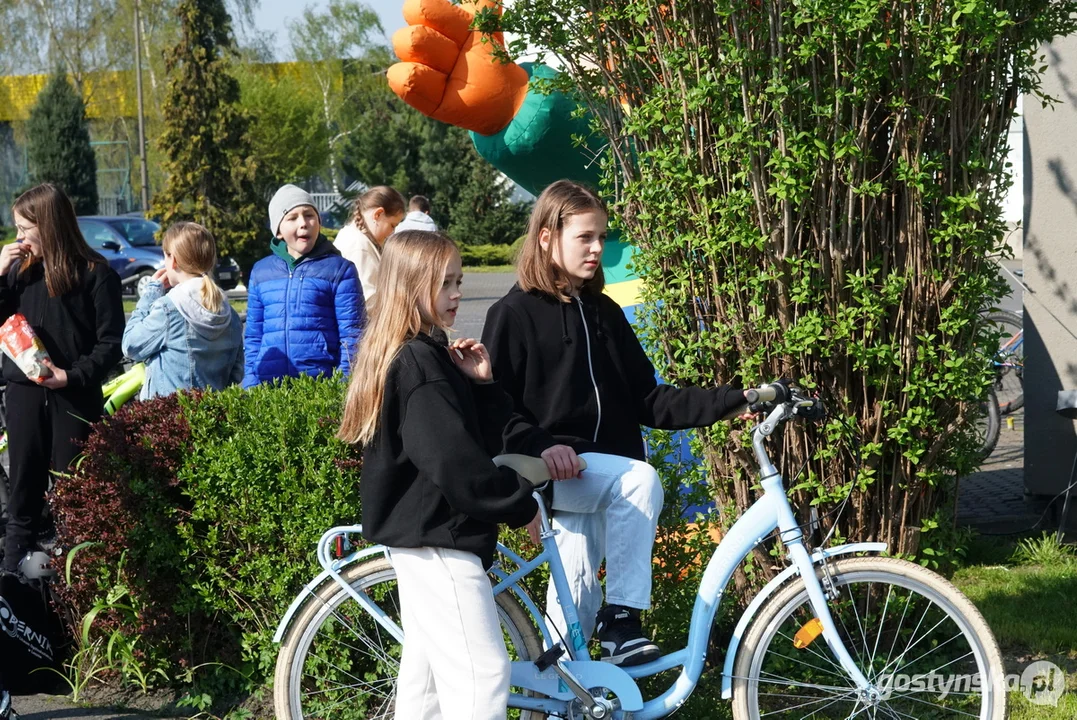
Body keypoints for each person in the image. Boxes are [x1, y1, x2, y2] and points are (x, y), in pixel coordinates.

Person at [482, 180, 749, 666]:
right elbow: (495, 408)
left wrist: (735, 401)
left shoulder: (604, 313)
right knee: (641, 480)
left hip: (599, 478)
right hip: (553, 473)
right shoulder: (512, 314)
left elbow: (650, 400)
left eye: (601, 236)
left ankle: (570, 696)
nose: (597, 248)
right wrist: (542, 447)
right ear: (546, 237)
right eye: (584, 237)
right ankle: (623, 618)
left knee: (572, 631)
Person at [338, 230, 538, 719]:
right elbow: (456, 464)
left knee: (424, 688)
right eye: (445, 283)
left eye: (459, 280)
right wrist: (520, 503)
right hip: (441, 544)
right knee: (483, 676)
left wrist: (484, 386)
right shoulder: (421, 365)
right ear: (411, 288)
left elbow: (466, 446)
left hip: (421, 542)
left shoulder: (420, 357)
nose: (456, 294)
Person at [0, 184, 124, 573]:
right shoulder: (19, 273)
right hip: (24, 394)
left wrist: (71, 376)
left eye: (25, 229)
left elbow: (110, 344)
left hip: (75, 397)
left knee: (76, 491)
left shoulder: (96, 273)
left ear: (49, 226)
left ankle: (79, 582)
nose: (19, 238)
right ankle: (11, 581)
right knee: (23, 486)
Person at [243, 184, 364, 388]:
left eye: (309, 215)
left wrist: (343, 386)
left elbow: (353, 335)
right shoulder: (261, 272)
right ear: (278, 231)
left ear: (319, 220)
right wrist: (251, 384)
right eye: (292, 218)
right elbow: (253, 336)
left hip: (322, 391)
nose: (303, 223)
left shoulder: (340, 270)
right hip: (269, 391)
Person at [121, 222, 244, 398]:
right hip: (213, 417)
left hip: (169, 419)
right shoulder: (228, 312)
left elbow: (130, 346)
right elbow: (236, 372)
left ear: (174, 260)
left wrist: (150, 294)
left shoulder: (169, 309)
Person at [333, 186, 406, 302]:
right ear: (378, 214)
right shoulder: (359, 246)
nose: (393, 232)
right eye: (392, 225)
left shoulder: (351, 236)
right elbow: (368, 301)